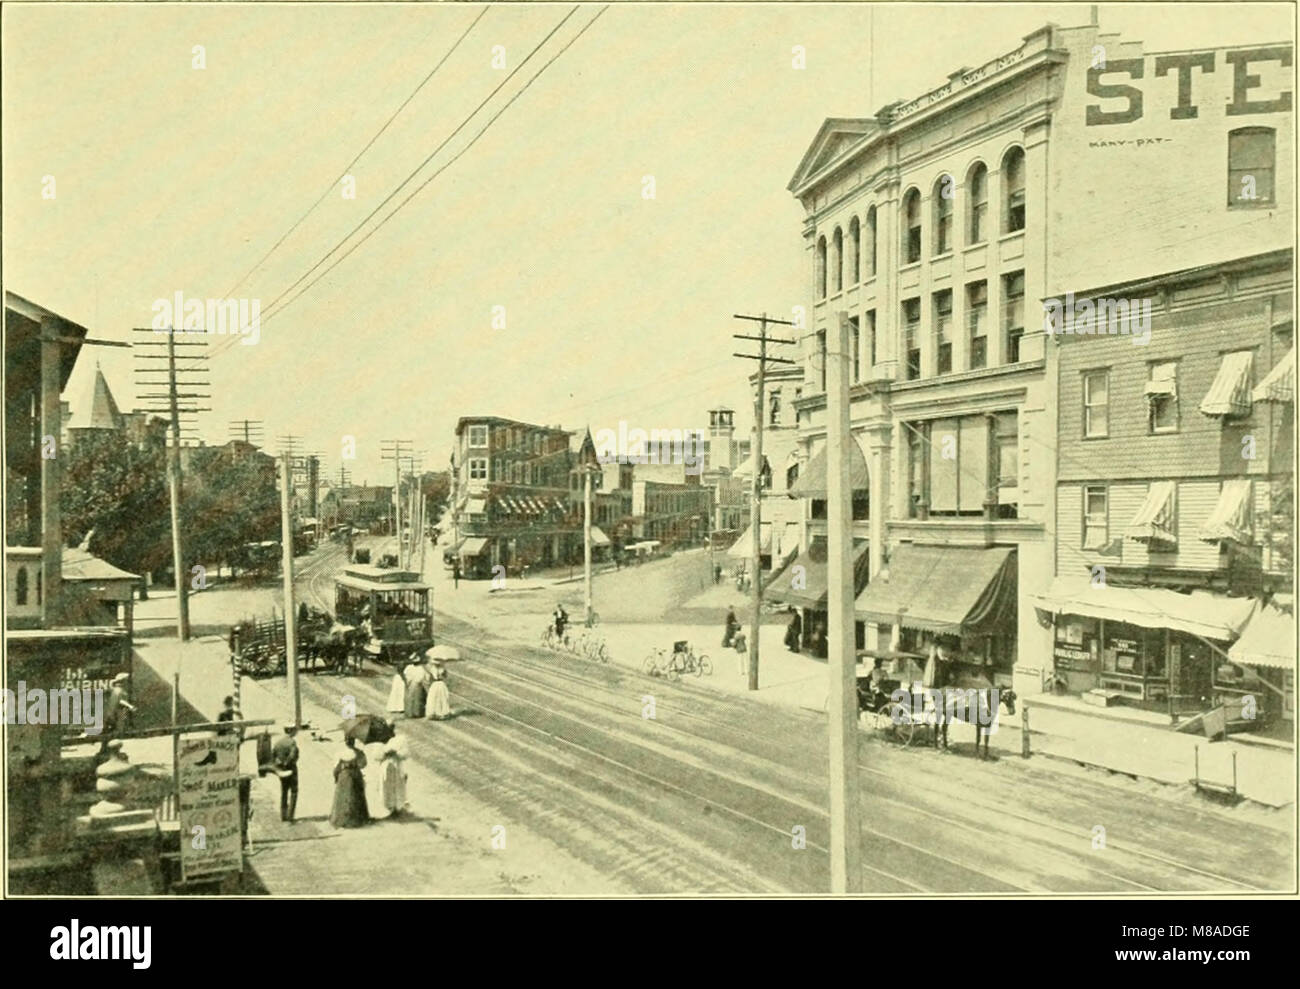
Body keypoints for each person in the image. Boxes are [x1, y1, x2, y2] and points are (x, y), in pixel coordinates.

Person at [329, 747, 369, 828]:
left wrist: (336, 778)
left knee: (344, 799)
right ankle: (358, 819)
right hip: (355, 775)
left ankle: (344, 820)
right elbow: (363, 764)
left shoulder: (341, 752)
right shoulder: (358, 752)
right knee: (356, 797)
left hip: (344, 776)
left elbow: (336, 768)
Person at [270, 724, 300, 823]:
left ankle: (283, 815)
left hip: (281, 770)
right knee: (294, 792)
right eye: (294, 730)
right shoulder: (292, 742)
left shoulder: (278, 742)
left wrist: (279, 764)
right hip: (291, 769)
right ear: (291, 731)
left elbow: (273, 755)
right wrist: (287, 763)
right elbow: (293, 756)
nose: (295, 732)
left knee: (284, 791)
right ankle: (290, 816)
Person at [379, 737, 408, 817]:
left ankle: (398, 808)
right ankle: (390, 809)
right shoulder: (380, 742)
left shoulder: (401, 740)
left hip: (397, 767)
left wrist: (396, 753)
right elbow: (376, 756)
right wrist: (385, 753)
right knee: (387, 787)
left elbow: (405, 755)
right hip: (386, 767)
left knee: (397, 786)